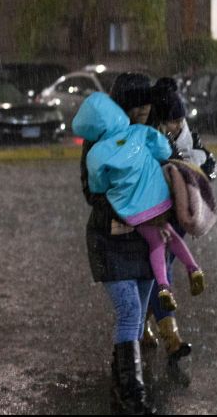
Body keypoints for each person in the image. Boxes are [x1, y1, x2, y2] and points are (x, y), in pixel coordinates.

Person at [78, 72, 167, 414]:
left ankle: (122, 380)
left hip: (144, 241)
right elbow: (92, 193)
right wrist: (127, 213)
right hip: (111, 238)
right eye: (137, 105)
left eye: (147, 105)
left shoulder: (149, 133)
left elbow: (174, 163)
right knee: (129, 311)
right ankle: (132, 393)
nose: (143, 111)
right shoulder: (99, 140)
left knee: (138, 314)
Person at [74, 89, 206, 314]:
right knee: (169, 235)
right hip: (159, 200)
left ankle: (163, 286)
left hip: (134, 211)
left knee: (156, 243)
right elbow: (163, 149)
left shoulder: (96, 153)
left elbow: (98, 186)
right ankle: (193, 267)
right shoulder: (139, 132)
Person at [141, 82, 217, 373]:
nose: (176, 125)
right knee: (160, 274)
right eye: (171, 120)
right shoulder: (150, 139)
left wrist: (196, 166)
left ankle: (142, 325)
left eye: (179, 119)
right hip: (155, 215)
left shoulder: (190, 138)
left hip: (180, 216)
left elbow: (210, 166)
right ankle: (171, 338)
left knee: (157, 274)